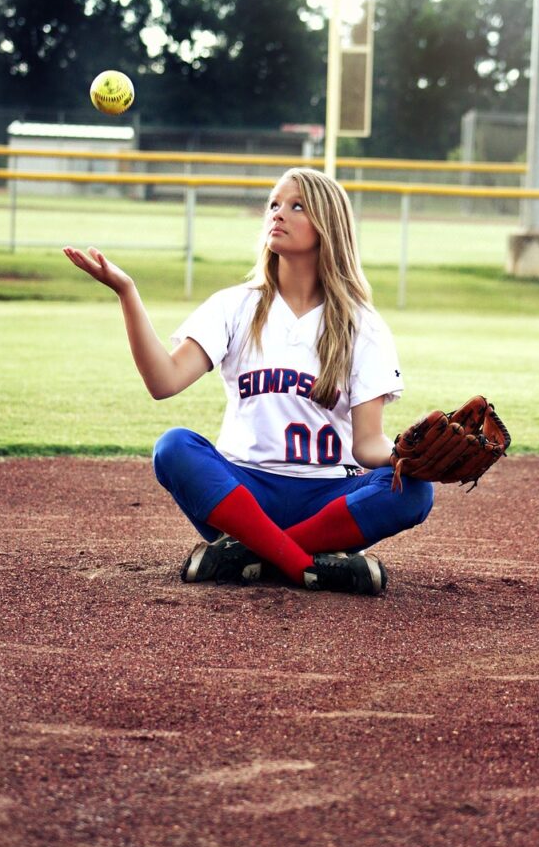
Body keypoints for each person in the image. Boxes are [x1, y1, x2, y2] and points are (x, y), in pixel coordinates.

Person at [63, 167, 433, 596]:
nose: (278, 214)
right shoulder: (235, 307)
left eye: (297, 206)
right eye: (274, 204)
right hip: (245, 490)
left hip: (329, 496)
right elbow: (162, 381)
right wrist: (127, 292)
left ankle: (247, 553)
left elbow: (368, 446)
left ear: (328, 226)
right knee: (174, 447)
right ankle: (305, 565)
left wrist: (412, 454)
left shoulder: (361, 325)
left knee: (414, 493)